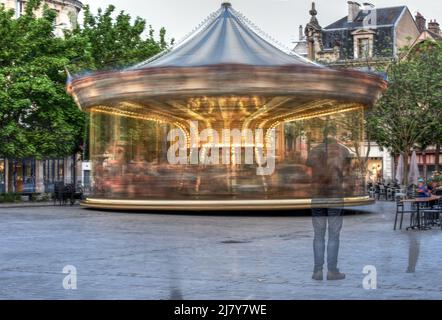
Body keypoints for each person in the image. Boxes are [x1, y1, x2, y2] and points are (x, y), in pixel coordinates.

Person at [306, 127, 350, 281]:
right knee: (334, 235)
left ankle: (317, 271)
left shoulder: (313, 151)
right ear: (336, 135)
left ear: (322, 135)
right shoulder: (343, 151)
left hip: (317, 196)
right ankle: (332, 271)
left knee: (318, 236)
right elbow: (346, 174)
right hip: (335, 196)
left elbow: (310, 169)